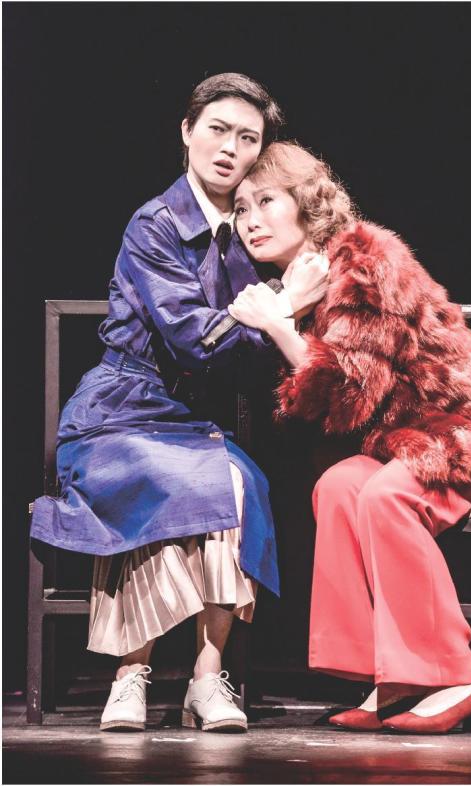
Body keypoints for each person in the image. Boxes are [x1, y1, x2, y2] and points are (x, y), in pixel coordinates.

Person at [30, 75, 327, 734]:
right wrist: (283, 306)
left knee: (234, 482)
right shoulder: (156, 224)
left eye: (247, 138)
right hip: (119, 411)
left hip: (193, 422)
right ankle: (128, 675)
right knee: (159, 478)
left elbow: (255, 356)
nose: (230, 148)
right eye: (217, 129)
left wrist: (284, 312)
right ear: (187, 131)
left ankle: (206, 676)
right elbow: (196, 339)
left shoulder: (251, 235)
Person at [228, 141, 471, 734]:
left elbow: (350, 392)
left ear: (306, 201)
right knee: (338, 487)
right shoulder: (301, 285)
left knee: (385, 495)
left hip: (467, 426)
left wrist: (278, 323)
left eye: (266, 201)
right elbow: (323, 415)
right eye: (241, 209)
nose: (251, 220)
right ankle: (391, 674)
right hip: (401, 440)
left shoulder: (363, 260)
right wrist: (287, 311)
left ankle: (460, 678)